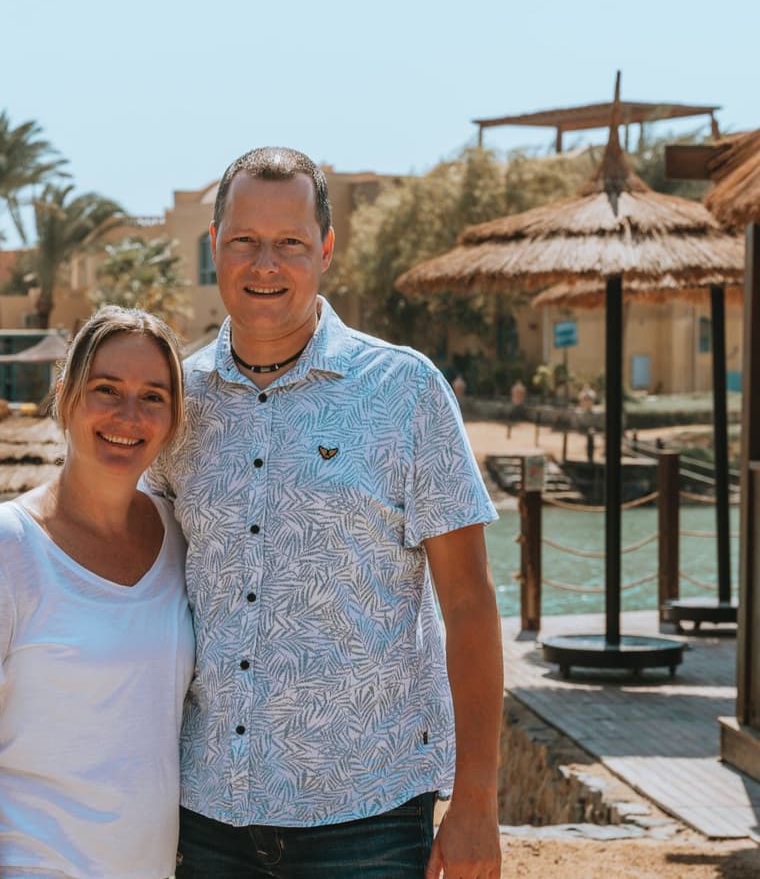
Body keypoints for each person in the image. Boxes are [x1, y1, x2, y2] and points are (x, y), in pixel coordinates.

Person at [148, 147, 504, 878]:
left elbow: (468, 603)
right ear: (215, 245)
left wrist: (477, 799)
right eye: (244, 241)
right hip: (206, 810)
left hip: (367, 817)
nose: (264, 265)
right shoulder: (177, 403)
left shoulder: (406, 391)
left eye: (291, 244)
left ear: (327, 251)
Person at [0, 306, 194, 879]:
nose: (128, 414)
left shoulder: (180, 537)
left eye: (153, 396)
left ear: (173, 417)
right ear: (65, 396)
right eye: (107, 389)